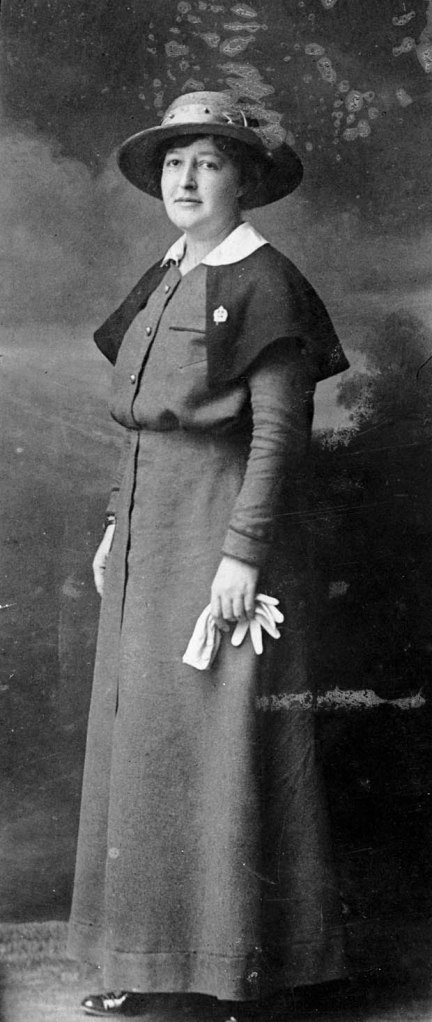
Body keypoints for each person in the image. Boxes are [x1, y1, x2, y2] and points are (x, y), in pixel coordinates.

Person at [67, 92, 350, 1018]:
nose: (184, 180)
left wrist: (242, 556)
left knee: (217, 741)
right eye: (174, 163)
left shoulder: (264, 279)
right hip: (151, 531)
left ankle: (231, 970)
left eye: (209, 163)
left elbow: (278, 435)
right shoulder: (164, 273)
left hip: (223, 531)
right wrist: (116, 522)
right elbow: (139, 429)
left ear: (247, 180)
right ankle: (137, 955)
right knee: (140, 742)